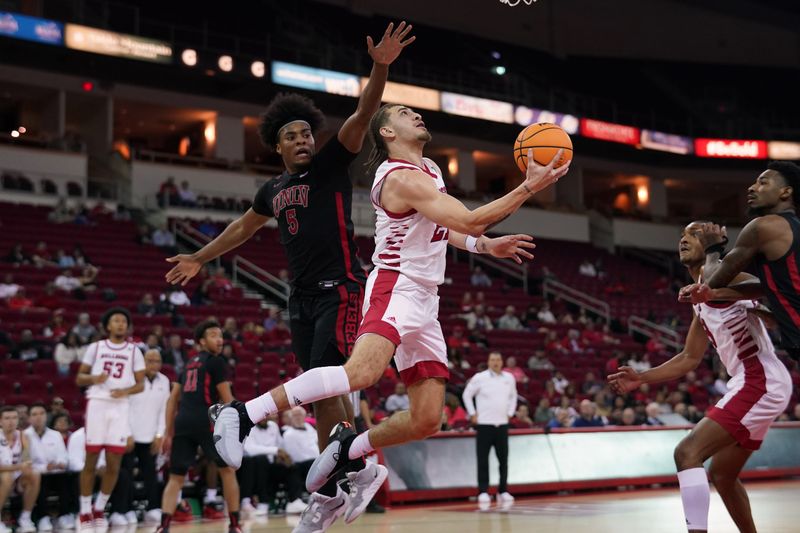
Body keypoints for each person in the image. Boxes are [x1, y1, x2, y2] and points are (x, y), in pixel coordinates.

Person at [211, 99, 566, 518]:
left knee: (427, 419)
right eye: (402, 114)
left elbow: (444, 227)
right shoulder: (397, 176)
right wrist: (529, 187)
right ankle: (244, 413)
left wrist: (484, 246)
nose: (415, 114)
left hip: (426, 301)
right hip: (394, 285)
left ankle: (350, 447)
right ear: (387, 133)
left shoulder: (429, 169)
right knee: (360, 373)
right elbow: (469, 219)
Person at [166, 21, 417, 532]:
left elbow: (364, 112)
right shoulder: (273, 190)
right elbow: (242, 227)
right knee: (323, 390)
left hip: (341, 288)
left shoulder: (329, 165)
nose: (302, 139)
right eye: (292, 135)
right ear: (276, 146)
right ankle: (350, 471)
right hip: (298, 297)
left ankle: (338, 462)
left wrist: (381, 67)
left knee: (324, 378)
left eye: (306, 132)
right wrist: (200, 256)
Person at [609, 221, 792, 533]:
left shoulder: (729, 276)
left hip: (760, 379)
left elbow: (773, 302)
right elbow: (689, 357)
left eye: (692, 234)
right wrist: (642, 377)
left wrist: (738, 298)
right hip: (756, 381)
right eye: (681, 234)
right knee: (722, 475)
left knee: (686, 452)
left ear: (711, 241)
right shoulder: (700, 301)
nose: (683, 239)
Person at [681, 161, 800, 360]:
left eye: (763, 183)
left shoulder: (762, 227)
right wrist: (718, 294)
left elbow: (713, 280)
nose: (752, 187)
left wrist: (713, 249)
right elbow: (767, 286)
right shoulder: (793, 227)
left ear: (785, 192)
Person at [155, 320, 240, 533]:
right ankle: (235, 525)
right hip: (206, 421)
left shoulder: (186, 364)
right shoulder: (216, 362)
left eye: (220, 335)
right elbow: (227, 399)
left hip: (183, 422)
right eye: (213, 335)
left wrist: (168, 431)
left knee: (176, 477)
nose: (220, 339)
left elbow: (171, 400)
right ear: (201, 341)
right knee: (227, 471)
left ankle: (163, 526)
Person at [75, 308, 145, 533]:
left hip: (120, 407)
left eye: (124, 321)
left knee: (114, 462)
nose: (120, 324)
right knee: (91, 459)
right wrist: (95, 378)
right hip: (98, 403)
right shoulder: (96, 348)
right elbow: (79, 378)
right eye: (116, 320)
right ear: (107, 326)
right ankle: (84, 512)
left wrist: (125, 392)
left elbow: (140, 384)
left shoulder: (134, 351)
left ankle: (99, 509)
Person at [462, 352, 518, 506]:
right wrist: (472, 413)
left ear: (502, 362)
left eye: (498, 360)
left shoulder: (509, 378)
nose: (495, 362)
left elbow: (514, 396)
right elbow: (467, 395)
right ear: (488, 362)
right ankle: (483, 491)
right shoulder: (480, 377)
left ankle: (503, 490)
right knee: (483, 459)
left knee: (503, 459)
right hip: (484, 424)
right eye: (492, 360)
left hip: (502, 424)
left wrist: (510, 413)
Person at [124, 350, 170, 526]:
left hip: (150, 436)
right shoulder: (131, 379)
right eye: (149, 360)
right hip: (129, 435)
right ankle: (125, 510)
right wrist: (127, 433)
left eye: (157, 361)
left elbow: (163, 411)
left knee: (150, 474)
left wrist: (159, 435)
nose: (153, 364)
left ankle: (153, 508)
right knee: (126, 474)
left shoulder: (164, 381)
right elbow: (124, 407)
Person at [24, 403, 70, 532]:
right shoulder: (25, 436)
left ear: (46, 416)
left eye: (41, 413)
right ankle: (43, 517)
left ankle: (64, 515)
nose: (38, 417)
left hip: (56, 472)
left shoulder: (55, 435)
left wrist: (60, 463)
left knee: (66, 478)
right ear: (29, 418)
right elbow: (26, 461)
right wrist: (45, 467)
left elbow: (64, 456)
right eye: (34, 414)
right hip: (37, 474)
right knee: (40, 480)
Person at [0, 406, 41, 533]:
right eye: (7, 418)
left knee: (34, 474)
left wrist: (24, 465)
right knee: (6, 476)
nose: (11, 421)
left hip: (14, 478)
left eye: (14, 417)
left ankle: (25, 518)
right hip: (3, 478)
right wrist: (18, 467)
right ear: (0, 421)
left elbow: (27, 460)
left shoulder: (22, 435)